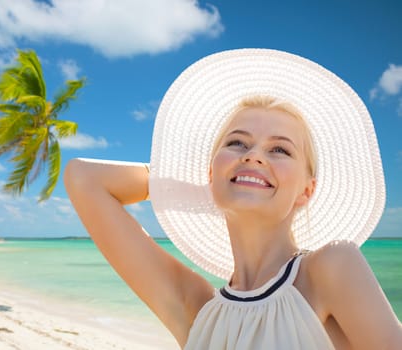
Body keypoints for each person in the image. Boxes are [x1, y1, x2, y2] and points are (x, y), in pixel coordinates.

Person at [64, 49, 402, 349]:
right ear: (210, 172)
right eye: (237, 143)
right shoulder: (197, 309)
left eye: (279, 149)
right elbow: (84, 178)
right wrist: (209, 182)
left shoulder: (330, 269)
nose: (254, 155)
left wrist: (236, 178)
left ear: (307, 190)